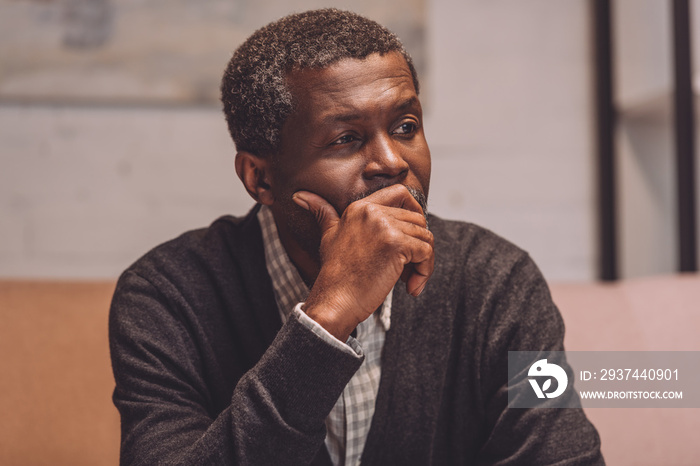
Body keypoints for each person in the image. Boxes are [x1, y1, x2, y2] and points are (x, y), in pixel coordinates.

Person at [109, 8, 604, 465]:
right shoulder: (167, 296)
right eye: (346, 139)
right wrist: (326, 321)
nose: (393, 162)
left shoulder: (496, 283)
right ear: (260, 178)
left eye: (406, 126)